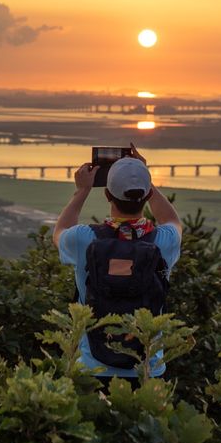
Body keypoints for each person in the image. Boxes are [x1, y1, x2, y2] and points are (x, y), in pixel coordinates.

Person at [53, 143, 182, 380]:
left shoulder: (84, 239)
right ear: (148, 195)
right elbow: (172, 220)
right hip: (147, 370)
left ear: (107, 194)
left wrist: (81, 190)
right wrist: (146, 181)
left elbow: (60, 231)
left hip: (93, 368)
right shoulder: (164, 242)